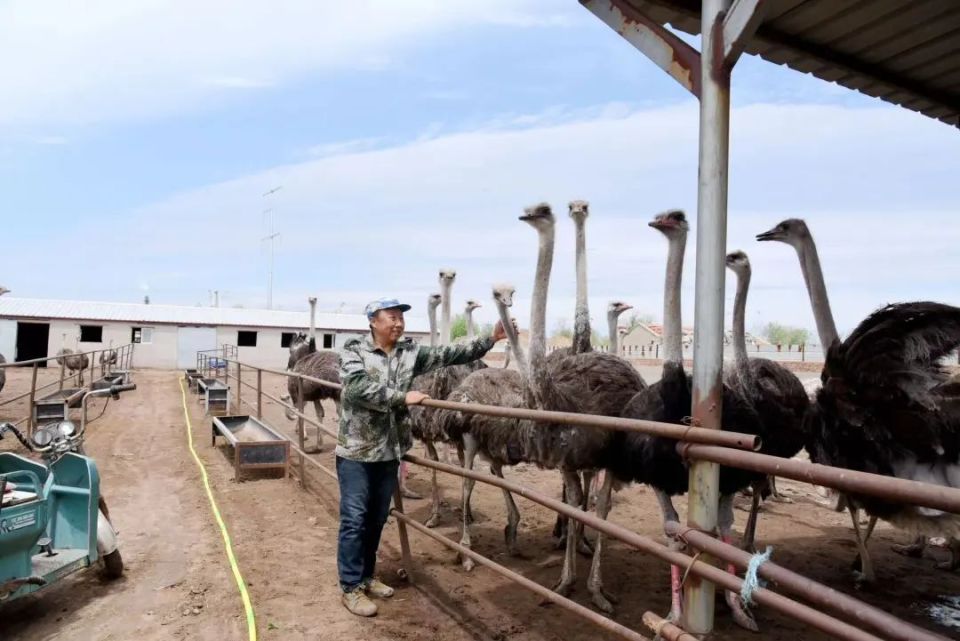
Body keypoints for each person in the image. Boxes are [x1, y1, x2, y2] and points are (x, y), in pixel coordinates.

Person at [336, 297, 510, 616]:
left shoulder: (410, 353)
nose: (398, 322)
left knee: (376, 520)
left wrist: (491, 339)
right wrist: (403, 398)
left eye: (401, 317)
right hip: (357, 452)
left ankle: (367, 577)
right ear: (373, 321)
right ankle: (350, 587)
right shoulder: (353, 350)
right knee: (354, 521)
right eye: (391, 317)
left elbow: (450, 354)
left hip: (390, 453)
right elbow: (357, 389)